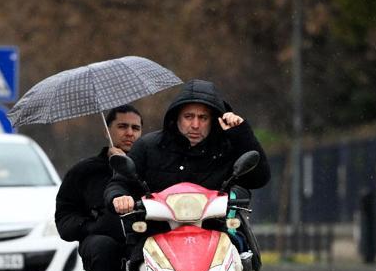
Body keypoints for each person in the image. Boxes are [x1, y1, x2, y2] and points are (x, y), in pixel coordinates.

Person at [55, 104, 148, 271]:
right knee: (103, 250)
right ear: (108, 130)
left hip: (145, 239)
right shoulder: (84, 171)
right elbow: (64, 218)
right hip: (102, 244)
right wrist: (91, 226)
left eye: (136, 128)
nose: (129, 133)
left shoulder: (149, 167)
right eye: (122, 127)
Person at [106, 78, 270, 216]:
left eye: (203, 118)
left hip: (216, 234)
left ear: (214, 120)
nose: (195, 125)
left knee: (244, 253)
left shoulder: (226, 148)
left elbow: (259, 178)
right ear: (176, 117)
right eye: (188, 117)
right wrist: (120, 197)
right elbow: (119, 183)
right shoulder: (148, 146)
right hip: (154, 234)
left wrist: (242, 134)